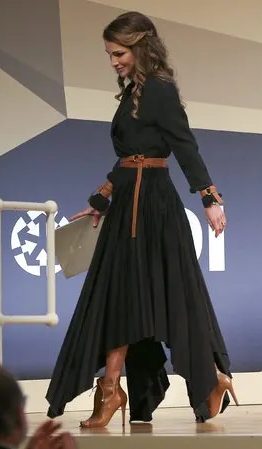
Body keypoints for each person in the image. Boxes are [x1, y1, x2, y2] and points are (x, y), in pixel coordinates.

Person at [45, 11, 237, 427]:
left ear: (140, 46)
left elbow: (184, 146)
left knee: (170, 299)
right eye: (110, 54)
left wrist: (209, 198)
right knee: (119, 297)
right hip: (127, 202)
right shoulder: (132, 88)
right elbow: (128, 159)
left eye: (119, 53)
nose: (113, 61)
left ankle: (203, 379)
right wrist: (101, 198)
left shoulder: (161, 90)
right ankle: (112, 389)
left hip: (154, 207)